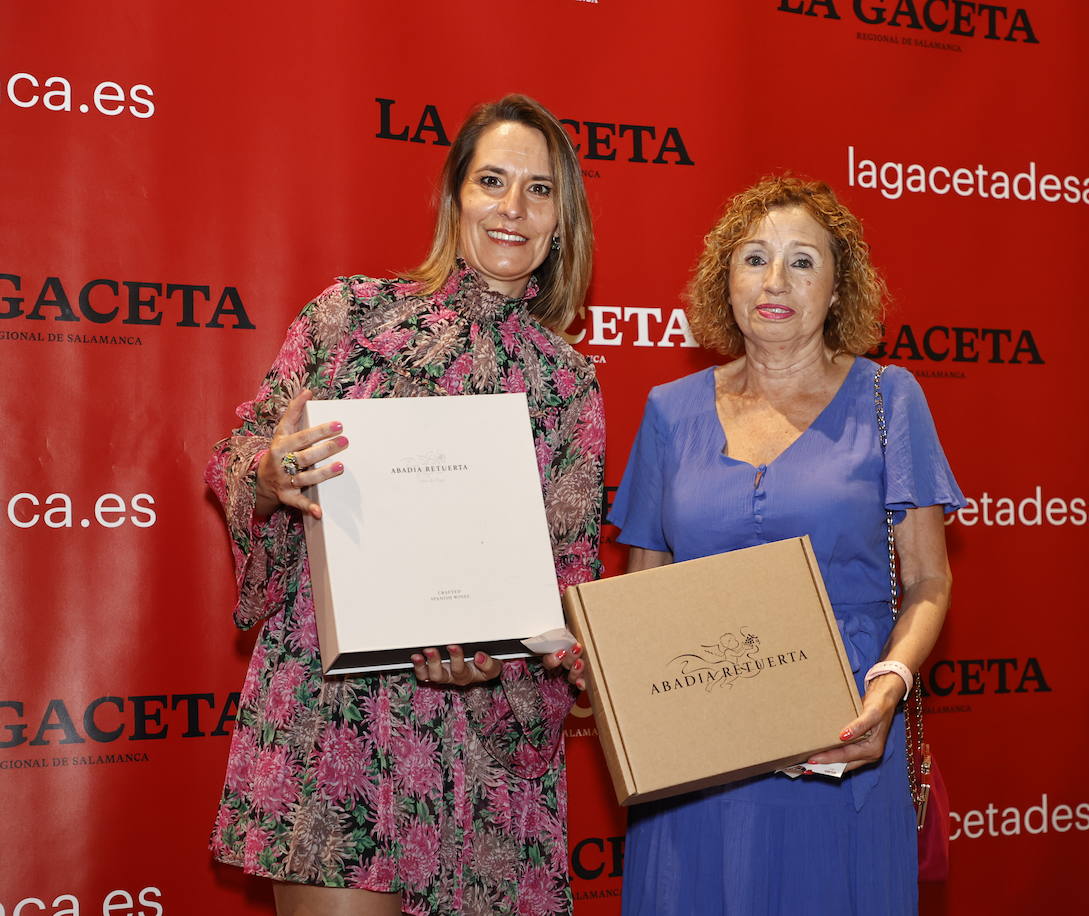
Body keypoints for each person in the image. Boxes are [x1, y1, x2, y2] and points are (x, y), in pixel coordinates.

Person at [205, 94, 603, 916]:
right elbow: (240, 454)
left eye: (539, 189)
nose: (512, 208)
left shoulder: (569, 383)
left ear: (563, 219)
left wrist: (514, 657)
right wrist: (273, 475)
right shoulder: (348, 316)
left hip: (485, 744)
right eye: (492, 180)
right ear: (455, 195)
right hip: (334, 719)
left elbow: (566, 570)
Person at [604, 176, 964, 914]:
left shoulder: (889, 397)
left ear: (837, 290)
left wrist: (890, 682)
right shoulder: (669, 413)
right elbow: (641, 596)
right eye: (755, 258)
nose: (775, 280)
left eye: (803, 261)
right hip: (697, 754)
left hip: (845, 736)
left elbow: (929, 579)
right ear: (725, 280)